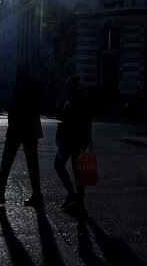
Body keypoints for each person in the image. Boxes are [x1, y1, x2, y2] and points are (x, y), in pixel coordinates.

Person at [0, 62, 45, 207]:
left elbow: (17, 106)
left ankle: (1, 194)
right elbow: (39, 106)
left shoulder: (24, 85)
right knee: (31, 163)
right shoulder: (32, 85)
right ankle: (35, 195)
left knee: (8, 162)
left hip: (19, 129)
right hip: (27, 129)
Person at [54, 75, 92, 213]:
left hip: (73, 140)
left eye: (68, 86)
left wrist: (84, 138)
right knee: (75, 170)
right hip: (69, 139)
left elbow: (85, 121)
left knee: (67, 167)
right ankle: (75, 197)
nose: (66, 89)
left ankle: (75, 197)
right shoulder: (73, 99)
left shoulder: (78, 100)